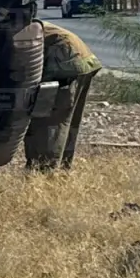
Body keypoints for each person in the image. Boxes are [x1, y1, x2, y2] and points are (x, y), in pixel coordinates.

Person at [24, 20, 103, 170]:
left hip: (64, 62)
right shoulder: (15, 23)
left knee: (48, 122)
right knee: (67, 123)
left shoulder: (6, 30)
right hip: (82, 60)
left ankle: (44, 171)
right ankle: (61, 171)